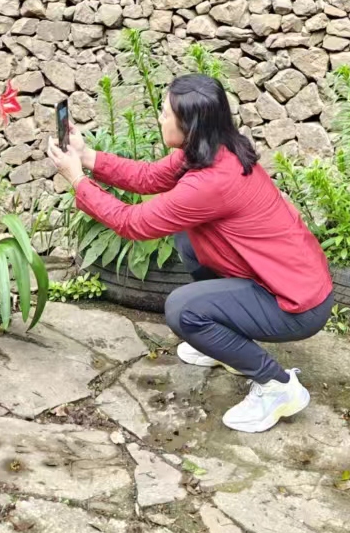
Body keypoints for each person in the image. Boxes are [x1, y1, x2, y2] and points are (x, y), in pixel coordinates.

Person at [48, 73, 333, 433]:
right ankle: (223, 344)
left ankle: (278, 386)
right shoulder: (212, 149)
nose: (160, 118)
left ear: (191, 125)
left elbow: (132, 223)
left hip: (296, 304)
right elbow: (149, 177)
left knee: (184, 311)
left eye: (165, 113)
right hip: (284, 278)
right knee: (187, 238)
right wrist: (85, 155)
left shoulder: (213, 181)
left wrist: (77, 181)